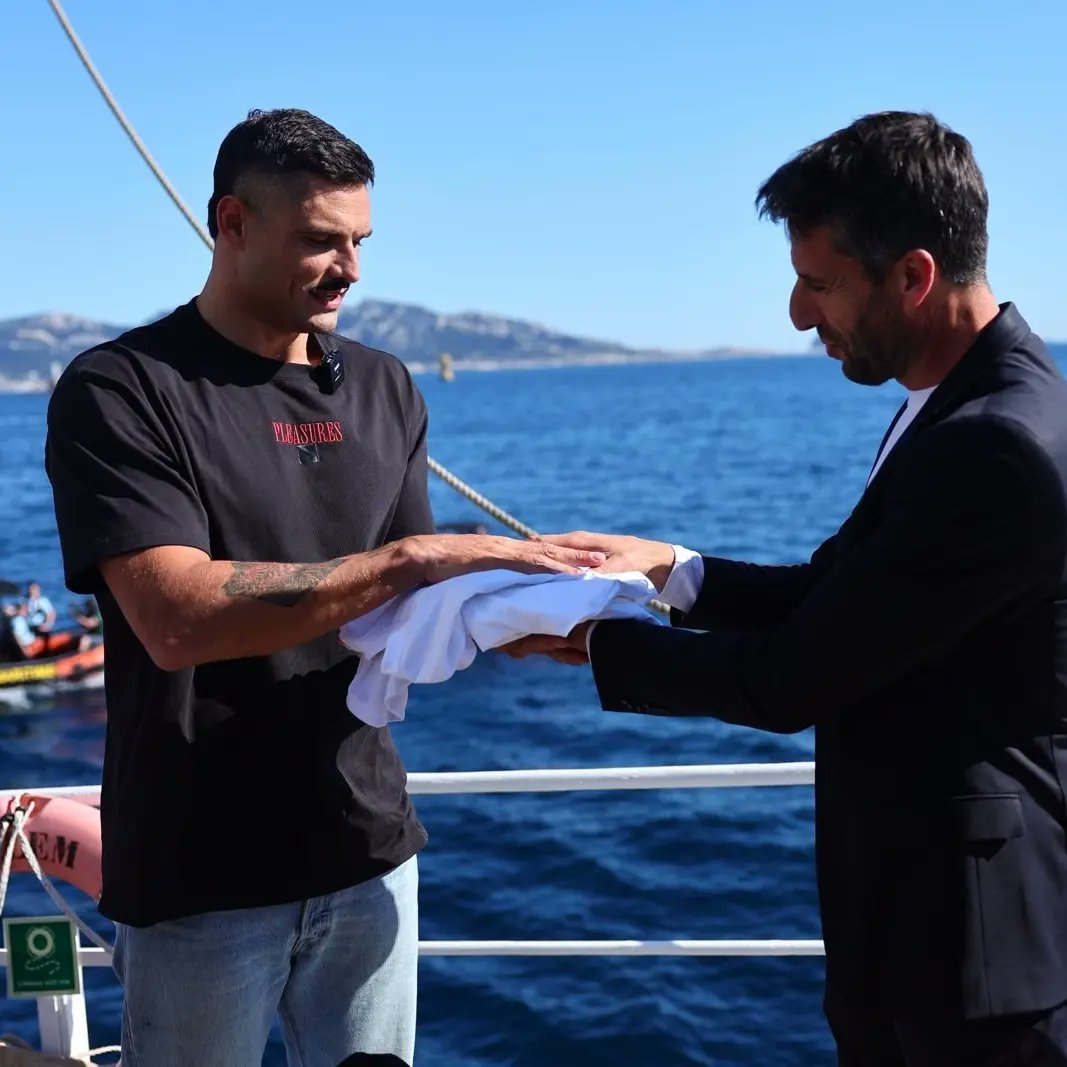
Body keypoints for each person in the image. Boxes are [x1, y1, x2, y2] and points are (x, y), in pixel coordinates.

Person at [44, 107, 602, 1067]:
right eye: (318, 240)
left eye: (359, 241)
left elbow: (414, 607)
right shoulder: (122, 390)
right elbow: (176, 617)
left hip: (367, 852)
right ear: (231, 223)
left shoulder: (386, 387)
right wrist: (415, 562)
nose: (349, 267)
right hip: (198, 873)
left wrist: (540, 611)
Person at [509, 111, 1067, 1065]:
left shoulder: (995, 443)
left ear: (913, 276)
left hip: (973, 967)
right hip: (920, 934)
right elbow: (837, 590)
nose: (798, 314)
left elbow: (791, 679)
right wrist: (668, 570)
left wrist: (592, 642)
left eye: (817, 283)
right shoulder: (966, 404)